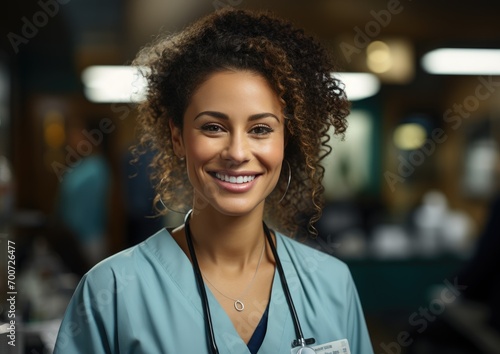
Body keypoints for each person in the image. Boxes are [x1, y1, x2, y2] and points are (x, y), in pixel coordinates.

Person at [54, 8, 374, 354]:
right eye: (213, 127)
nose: (237, 152)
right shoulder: (112, 291)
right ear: (177, 138)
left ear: (287, 141)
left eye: (261, 129)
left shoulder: (331, 283)